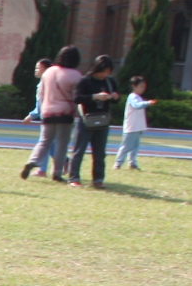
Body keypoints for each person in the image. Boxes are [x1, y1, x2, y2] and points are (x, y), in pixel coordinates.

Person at [21, 46, 82, 183]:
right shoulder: (76, 75)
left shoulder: (48, 72)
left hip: (47, 112)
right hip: (66, 113)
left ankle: (33, 161)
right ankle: (57, 173)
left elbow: (41, 94)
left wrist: (42, 110)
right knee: (62, 144)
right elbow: (77, 97)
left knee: (45, 141)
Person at [71, 55, 119, 187]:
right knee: (79, 150)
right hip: (85, 119)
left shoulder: (110, 81)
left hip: (103, 120)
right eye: (102, 71)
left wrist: (114, 96)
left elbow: (117, 98)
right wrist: (95, 97)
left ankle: (98, 179)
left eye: (107, 72)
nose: (104, 75)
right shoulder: (84, 80)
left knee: (100, 152)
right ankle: (74, 177)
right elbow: (77, 98)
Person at [117, 76, 159, 174]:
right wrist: (148, 103)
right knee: (126, 146)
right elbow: (137, 105)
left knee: (135, 147)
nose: (143, 88)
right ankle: (118, 163)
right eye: (141, 86)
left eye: (144, 86)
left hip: (137, 127)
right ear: (134, 86)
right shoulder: (132, 96)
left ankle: (132, 163)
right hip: (131, 127)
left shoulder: (138, 97)